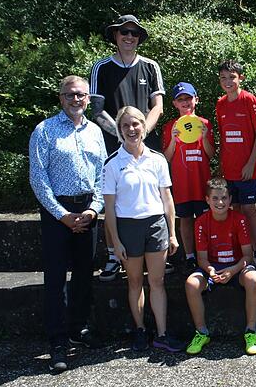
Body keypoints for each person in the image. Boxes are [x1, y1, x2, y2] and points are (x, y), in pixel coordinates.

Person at [29, 75, 107, 373]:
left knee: (85, 274)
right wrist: (62, 215)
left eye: (82, 95)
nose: (76, 100)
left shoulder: (95, 132)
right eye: (71, 95)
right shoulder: (45, 130)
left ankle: (79, 328)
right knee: (56, 278)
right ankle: (58, 341)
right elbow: (38, 177)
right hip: (56, 212)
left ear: (88, 99)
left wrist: (92, 210)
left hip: (87, 210)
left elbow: (101, 174)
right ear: (61, 97)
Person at [90, 14, 168, 281]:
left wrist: (143, 130)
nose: (129, 37)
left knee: (154, 197)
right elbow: (97, 111)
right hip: (114, 144)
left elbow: (157, 105)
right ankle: (113, 255)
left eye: (134, 33)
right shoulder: (101, 67)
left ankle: (157, 252)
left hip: (146, 142)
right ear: (115, 35)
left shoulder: (150, 66)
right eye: (124, 32)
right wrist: (122, 134)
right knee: (112, 202)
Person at [102, 106, 182, 352]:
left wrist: (172, 233)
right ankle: (140, 331)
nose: (131, 129)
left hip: (155, 225)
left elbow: (167, 199)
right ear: (119, 129)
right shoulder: (112, 164)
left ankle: (162, 334)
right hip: (128, 227)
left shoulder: (157, 159)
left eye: (136, 123)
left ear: (143, 127)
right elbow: (110, 208)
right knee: (135, 282)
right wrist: (115, 242)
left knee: (157, 282)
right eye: (125, 125)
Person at [184, 178, 256, 356]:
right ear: (207, 199)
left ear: (230, 199)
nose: (220, 202)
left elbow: (248, 256)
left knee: (254, 279)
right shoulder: (201, 222)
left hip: (236, 267)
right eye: (215, 198)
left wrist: (232, 270)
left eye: (224, 198)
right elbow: (202, 258)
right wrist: (211, 271)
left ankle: (251, 332)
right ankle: (201, 332)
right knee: (191, 284)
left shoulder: (240, 220)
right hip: (212, 268)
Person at [214, 60, 256, 275]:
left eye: (232, 77)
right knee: (234, 211)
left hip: (249, 169)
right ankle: (242, 252)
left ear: (240, 78)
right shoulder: (220, 104)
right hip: (229, 169)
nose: (228, 81)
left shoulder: (249, 100)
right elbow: (224, 137)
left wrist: (250, 163)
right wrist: (221, 166)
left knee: (248, 210)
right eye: (224, 78)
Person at [162, 82, 215, 271]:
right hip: (182, 183)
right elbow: (166, 158)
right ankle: (190, 255)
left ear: (196, 100)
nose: (185, 102)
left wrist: (204, 137)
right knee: (185, 219)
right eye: (180, 99)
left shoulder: (205, 124)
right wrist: (174, 142)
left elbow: (211, 154)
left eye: (188, 98)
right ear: (175, 104)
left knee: (204, 220)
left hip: (202, 182)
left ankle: (206, 255)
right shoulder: (170, 127)